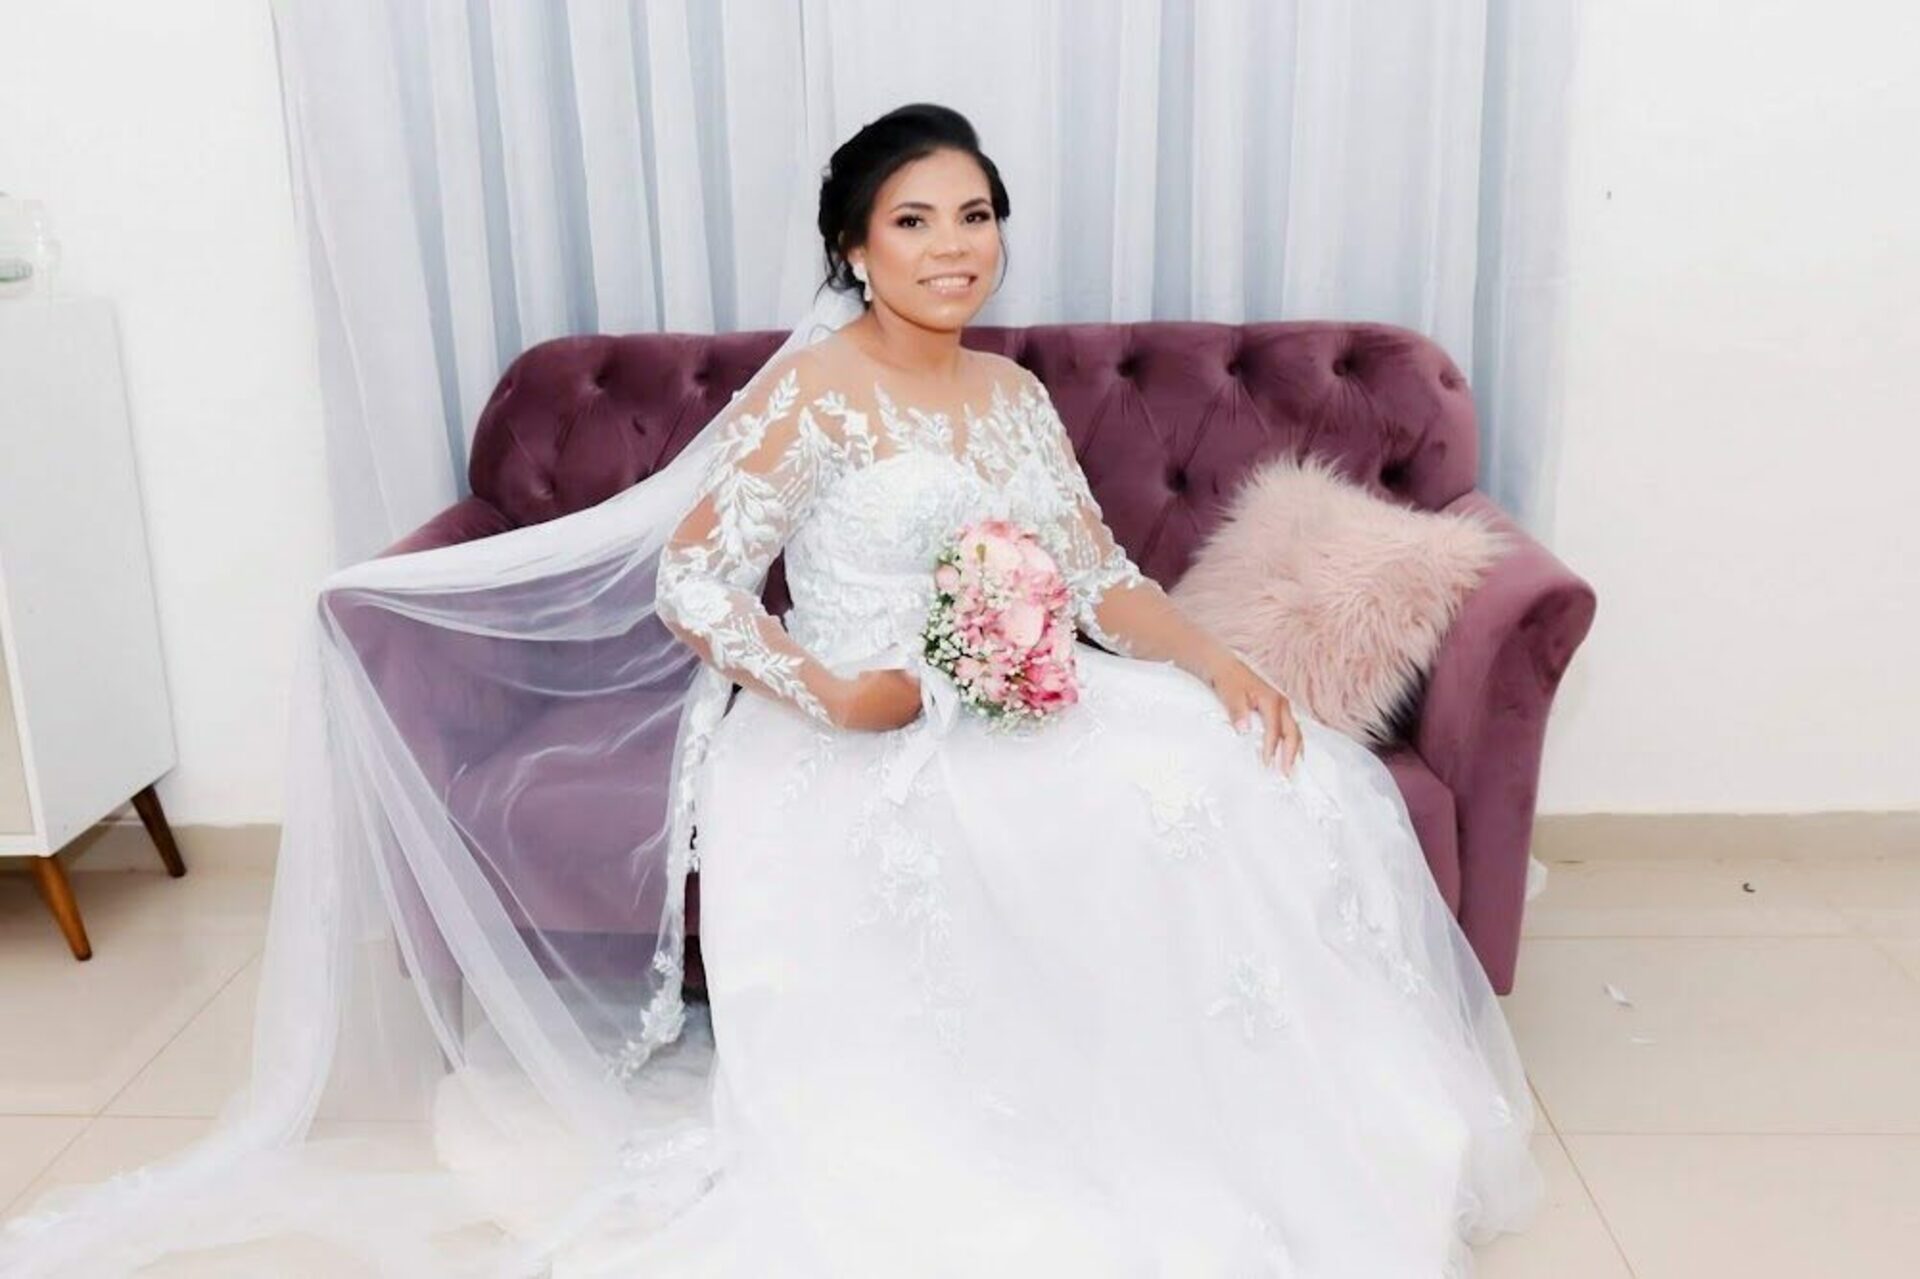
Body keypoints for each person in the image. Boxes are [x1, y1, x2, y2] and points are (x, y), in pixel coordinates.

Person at [0, 103, 1540, 1278]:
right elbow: (694, 584)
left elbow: (1093, 576)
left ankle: (1224, 1120)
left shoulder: (1014, 394)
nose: (955, 246)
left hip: (1008, 691)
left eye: (978, 217)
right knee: (1055, 832)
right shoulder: (814, 391)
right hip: (835, 731)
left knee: (1238, 778)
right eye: (916, 220)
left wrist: (1216, 662)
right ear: (855, 248)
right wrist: (830, 692)